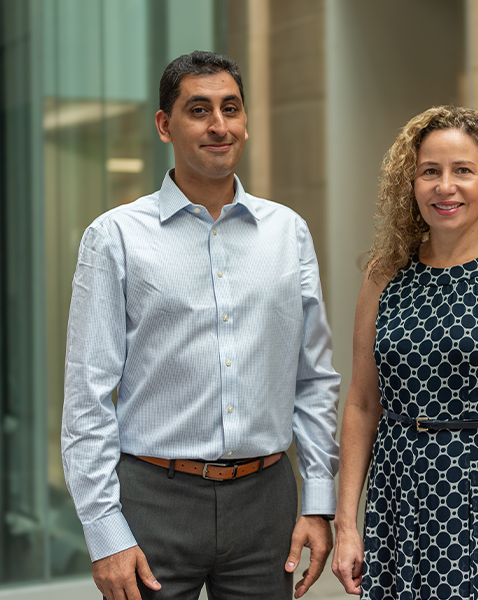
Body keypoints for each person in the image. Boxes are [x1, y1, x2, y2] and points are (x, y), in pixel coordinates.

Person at [61, 50, 340, 600]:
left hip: (267, 502)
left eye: (230, 108)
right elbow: (87, 396)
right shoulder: (114, 237)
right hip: (154, 500)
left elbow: (314, 379)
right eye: (199, 110)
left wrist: (318, 501)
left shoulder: (289, 233)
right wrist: (104, 532)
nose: (219, 126)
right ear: (165, 125)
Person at [331, 106, 478, 599]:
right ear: (410, 186)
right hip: (395, 492)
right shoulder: (384, 276)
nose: (445, 186)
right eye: (429, 172)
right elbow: (360, 403)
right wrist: (346, 523)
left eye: (463, 171)